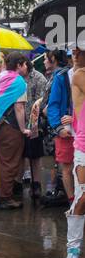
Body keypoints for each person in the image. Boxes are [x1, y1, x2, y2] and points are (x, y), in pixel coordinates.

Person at [0, 55, 27, 209]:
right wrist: (23, 128)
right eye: (25, 65)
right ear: (19, 65)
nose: (26, 67)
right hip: (9, 127)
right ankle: (6, 197)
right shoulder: (19, 82)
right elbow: (19, 107)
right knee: (9, 162)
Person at [62, 42, 85, 258]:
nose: (74, 54)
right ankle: (72, 251)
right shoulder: (79, 75)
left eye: (79, 50)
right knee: (83, 197)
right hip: (84, 147)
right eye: (74, 50)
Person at [46, 49, 75, 203]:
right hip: (66, 130)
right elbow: (53, 105)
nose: (76, 58)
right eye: (73, 55)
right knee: (67, 167)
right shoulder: (62, 76)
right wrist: (58, 127)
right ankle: (72, 202)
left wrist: (74, 118)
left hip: (79, 127)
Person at [18, 56, 47, 201]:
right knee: (21, 155)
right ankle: (19, 184)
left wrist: (32, 124)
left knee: (35, 157)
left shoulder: (39, 78)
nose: (17, 70)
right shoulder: (16, 79)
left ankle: (37, 186)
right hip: (19, 124)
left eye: (19, 67)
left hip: (35, 124)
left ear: (25, 65)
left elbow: (41, 102)